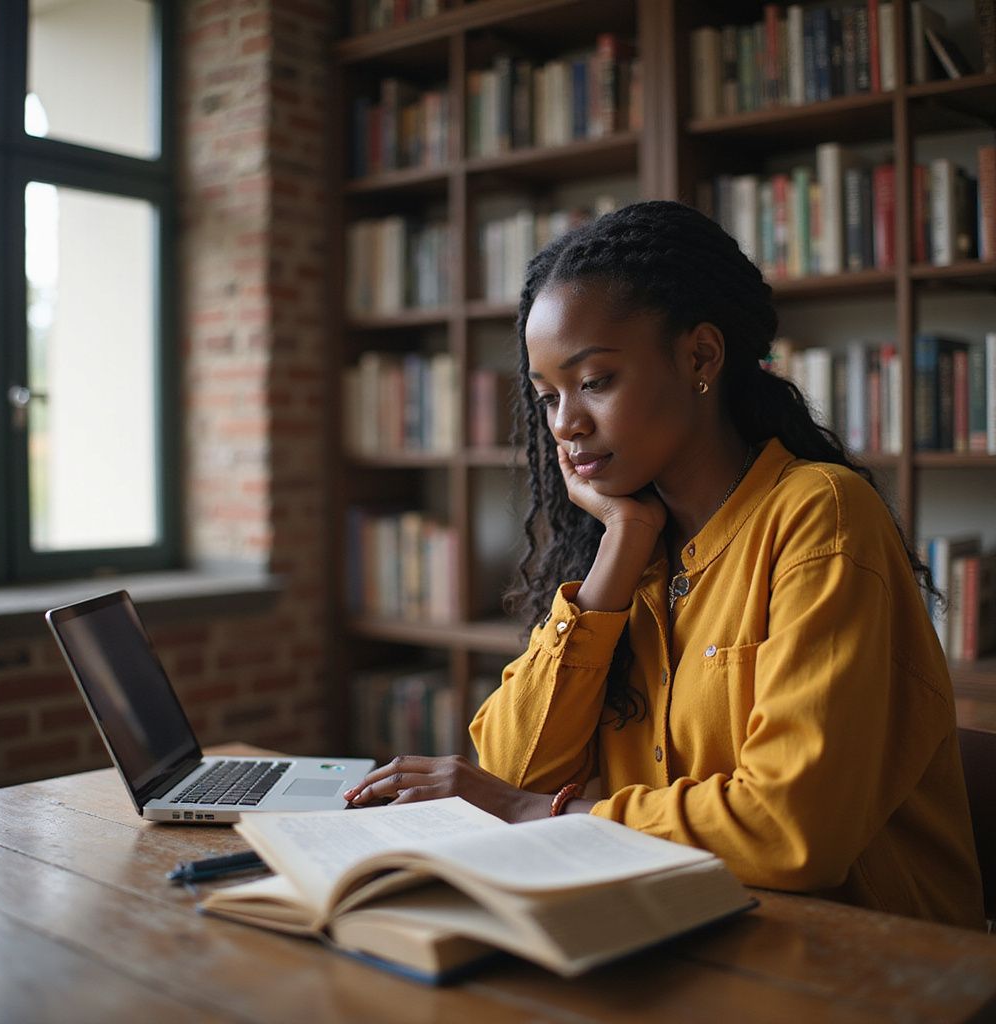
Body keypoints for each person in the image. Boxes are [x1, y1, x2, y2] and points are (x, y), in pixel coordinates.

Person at [343, 200, 985, 930]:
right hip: (679, 932)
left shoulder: (819, 517)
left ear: (700, 357)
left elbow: (791, 833)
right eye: (547, 396)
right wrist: (621, 542)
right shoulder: (633, 544)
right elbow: (513, 769)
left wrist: (538, 816)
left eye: (595, 382)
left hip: (859, 961)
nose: (565, 424)